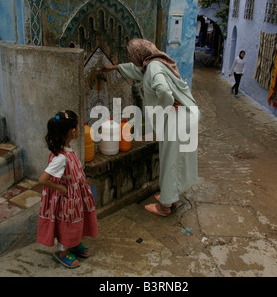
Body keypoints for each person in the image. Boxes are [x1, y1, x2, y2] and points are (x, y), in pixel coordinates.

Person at [101, 38, 198, 217]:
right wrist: (113, 68)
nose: (132, 60)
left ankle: (165, 206)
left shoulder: (153, 68)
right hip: (186, 115)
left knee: (170, 161)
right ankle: (172, 196)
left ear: (138, 55)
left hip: (177, 118)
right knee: (174, 159)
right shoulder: (157, 62)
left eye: (132, 57)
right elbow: (137, 70)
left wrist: (163, 108)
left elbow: (164, 91)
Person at [37, 110, 98, 269]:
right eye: (78, 126)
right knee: (67, 224)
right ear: (73, 131)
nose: (79, 129)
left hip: (75, 197)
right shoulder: (60, 158)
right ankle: (63, 252)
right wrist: (61, 189)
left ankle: (74, 243)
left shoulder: (66, 151)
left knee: (76, 222)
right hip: (67, 199)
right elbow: (43, 179)